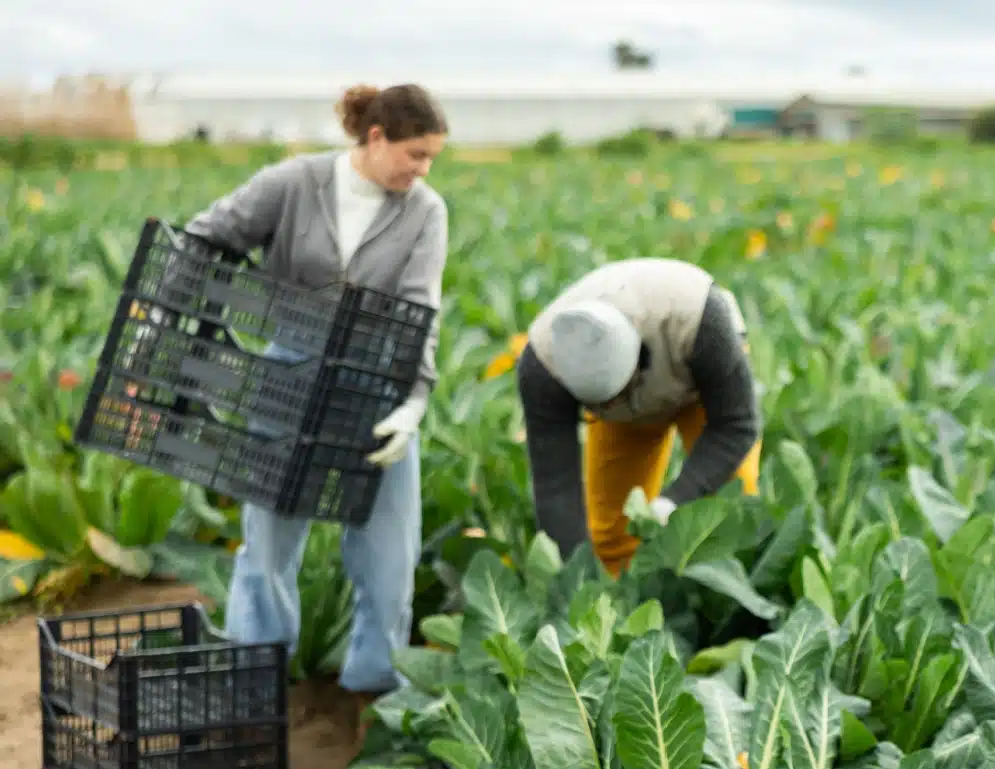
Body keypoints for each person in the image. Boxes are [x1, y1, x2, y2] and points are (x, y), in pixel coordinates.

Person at [182, 83, 450, 708]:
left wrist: (413, 402)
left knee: (389, 555)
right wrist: (199, 315)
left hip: (377, 385)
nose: (423, 170)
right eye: (415, 154)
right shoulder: (294, 184)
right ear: (375, 137)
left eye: (433, 157)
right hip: (287, 378)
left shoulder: (424, 212)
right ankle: (254, 694)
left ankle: (370, 696)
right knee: (269, 545)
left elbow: (419, 312)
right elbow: (209, 235)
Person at [515, 258, 762, 577]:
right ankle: (627, 607)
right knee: (611, 534)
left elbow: (736, 427)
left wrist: (673, 501)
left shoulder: (702, 321)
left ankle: (732, 606)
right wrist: (573, 582)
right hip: (625, 419)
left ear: (638, 364)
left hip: (700, 389)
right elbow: (556, 489)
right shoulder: (543, 368)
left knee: (734, 508)